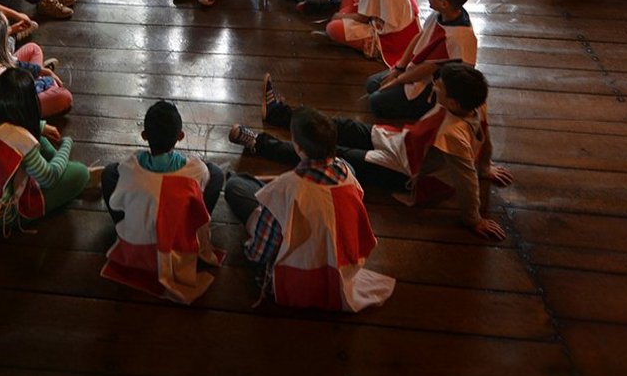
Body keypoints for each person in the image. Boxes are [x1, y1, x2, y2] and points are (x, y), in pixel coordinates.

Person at [233, 62, 514, 241]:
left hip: (400, 168)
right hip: (399, 142)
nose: (434, 85)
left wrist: (473, 218)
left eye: (438, 86)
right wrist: (487, 166)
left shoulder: (453, 133)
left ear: (451, 100)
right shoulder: (473, 103)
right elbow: (486, 138)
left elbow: (465, 176)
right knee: (340, 126)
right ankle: (279, 113)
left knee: (324, 155)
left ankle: (259, 142)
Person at [221, 106, 393, 311]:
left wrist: (248, 249)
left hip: (298, 276)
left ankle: (238, 178)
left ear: (298, 148)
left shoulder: (286, 188)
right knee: (262, 187)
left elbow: (261, 251)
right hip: (342, 267)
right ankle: (248, 176)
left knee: (236, 186)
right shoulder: (348, 174)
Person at [98, 100, 225, 303]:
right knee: (216, 174)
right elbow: (209, 178)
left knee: (109, 173)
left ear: (144, 136)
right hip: (176, 244)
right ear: (180, 136)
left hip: (137, 246)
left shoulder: (130, 165)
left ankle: (133, 224)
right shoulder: (196, 169)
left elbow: (116, 198)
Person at [0, 68, 95, 239]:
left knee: (38, 140)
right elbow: (50, 177)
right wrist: (66, 144)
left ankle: (56, 161)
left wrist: (41, 127)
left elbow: (9, 125)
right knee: (80, 172)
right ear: (31, 104)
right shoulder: (20, 138)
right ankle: (71, 170)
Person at [365, 0, 477, 122]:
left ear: (444, 3)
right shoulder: (443, 14)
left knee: (375, 102)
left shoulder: (457, 36)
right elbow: (420, 36)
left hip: (434, 89)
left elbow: (426, 70)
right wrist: (399, 68)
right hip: (419, 73)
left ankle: (425, 110)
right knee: (373, 83)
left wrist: (398, 80)